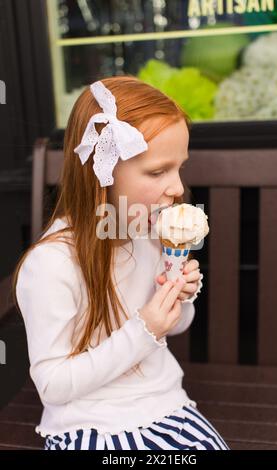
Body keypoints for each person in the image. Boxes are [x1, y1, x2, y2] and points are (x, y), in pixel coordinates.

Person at [13, 76, 229, 450]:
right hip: (86, 424)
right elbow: (52, 385)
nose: (177, 188)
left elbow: (176, 327)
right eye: (158, 171)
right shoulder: (52, 264)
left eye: (179, 167)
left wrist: (178, 299)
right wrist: (144, 328)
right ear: (103, 174)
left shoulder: (150, 234)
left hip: (165, 408)